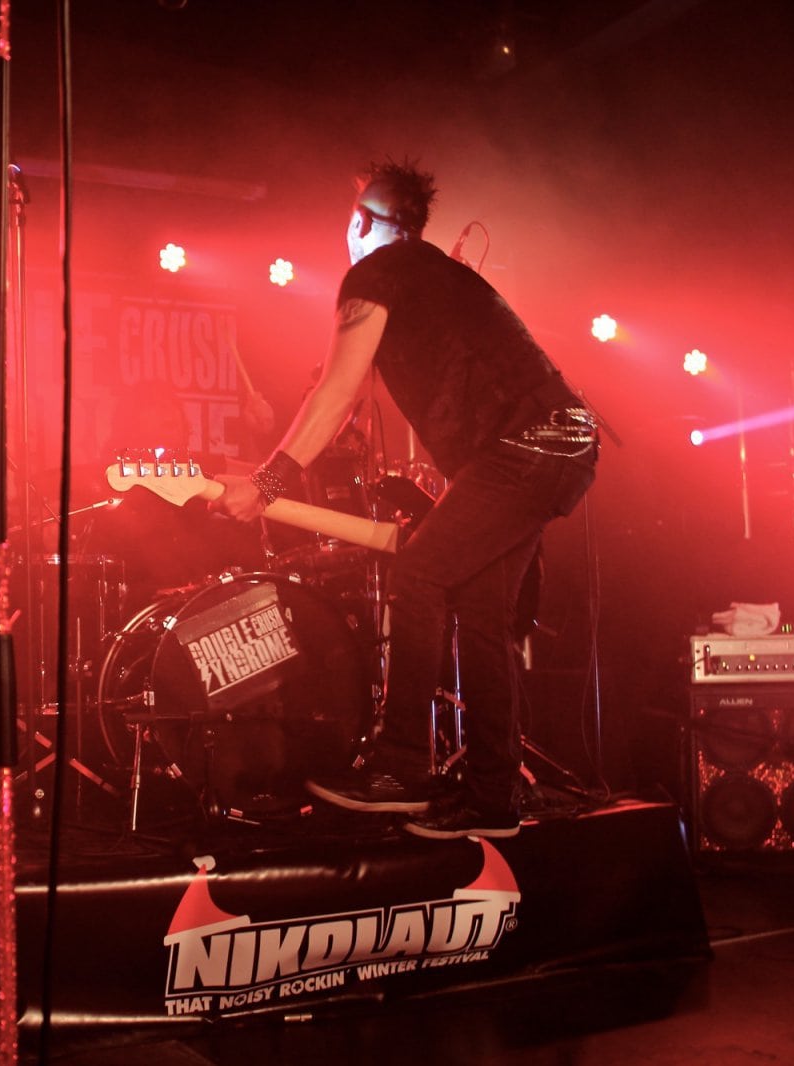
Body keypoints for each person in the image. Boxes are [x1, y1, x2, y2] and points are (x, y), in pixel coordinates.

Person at [217, 160, 598, 839]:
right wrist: (266, 470)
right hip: (562, 442)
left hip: (527, 446)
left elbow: (335, 394)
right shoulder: (436, 275)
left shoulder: (376, 272)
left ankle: (400, 768)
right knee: (483, 613)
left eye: (352, 216)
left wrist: (267, 485)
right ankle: (493, 797)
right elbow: (341, 398)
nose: (348, 228)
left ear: (365, 222)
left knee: (418, 574)